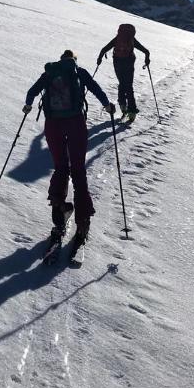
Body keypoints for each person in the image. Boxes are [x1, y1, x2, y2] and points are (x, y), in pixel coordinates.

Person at [23, 49, 115, 247]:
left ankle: (59, 215)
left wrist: (28, 106)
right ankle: (82, 224)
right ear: (73, 60)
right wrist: (108, 106)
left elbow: (31, 92)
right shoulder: (78, 72)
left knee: (61, 168)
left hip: (53, 125)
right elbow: (97, 90)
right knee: (78, 170)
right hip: (75, 123)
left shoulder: (49, 73)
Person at [96, 24, 150, 121]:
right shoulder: (132, 39)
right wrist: (147, 60)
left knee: (122, 83)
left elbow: (104, 49)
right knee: (128, 86)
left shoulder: (117, 39)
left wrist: (99, 60)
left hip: (117, 63)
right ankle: (132, 112)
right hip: (129, 63)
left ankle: (122, 105)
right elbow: (146, 51)